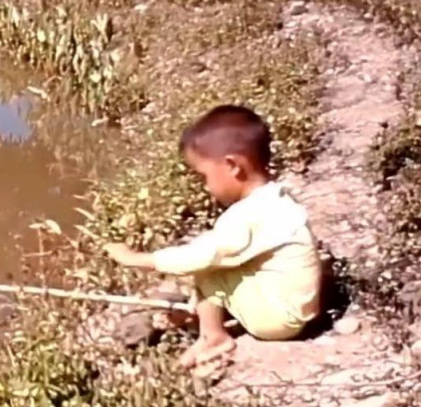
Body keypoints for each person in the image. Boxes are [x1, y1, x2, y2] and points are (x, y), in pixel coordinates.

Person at [103, 104, 322, 378]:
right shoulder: (275, 199)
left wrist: (138, 259)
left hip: (278, 320)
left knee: (207, 268)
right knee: (215, 261)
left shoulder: (249, 215)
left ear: (233, 166)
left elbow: (202, 256)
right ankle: (208, 320)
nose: (206, 187)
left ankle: (213, 338)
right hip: (294, 308)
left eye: (204, 176)